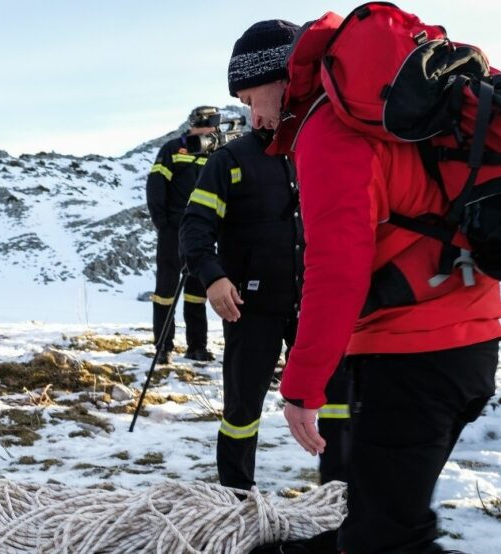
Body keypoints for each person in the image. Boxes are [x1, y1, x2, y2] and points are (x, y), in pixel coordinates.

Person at [228, 18, 501, 552]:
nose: (253, 116)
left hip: (414, 355)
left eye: (248, 97)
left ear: (277, 76)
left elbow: (336, 271)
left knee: (388, 539)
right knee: (379, 514)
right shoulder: (384, 117)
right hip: (467, 340)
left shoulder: (330, 132)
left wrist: (303, 387)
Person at [179, 59, 348, 488]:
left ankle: (340, 496)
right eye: (245, 104)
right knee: (242, 410)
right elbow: (194, 226)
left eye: (254, 100)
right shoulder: (229, 160)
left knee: (336, 400)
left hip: (311, 305)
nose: (254, 114)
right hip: (249, 310)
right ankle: (237, 497)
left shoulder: (317, 149)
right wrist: (213, 276)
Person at [145, 107, 218, 364]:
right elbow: (155, 184)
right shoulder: (173, 148)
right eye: (212, 122)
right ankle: (163, 346)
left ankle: (197, 346)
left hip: (203, 232)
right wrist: (162, 221)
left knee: (197, 290)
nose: (214, 128)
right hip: (173, 229)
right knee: (165, 288)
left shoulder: (217, 152)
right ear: (199, 122)